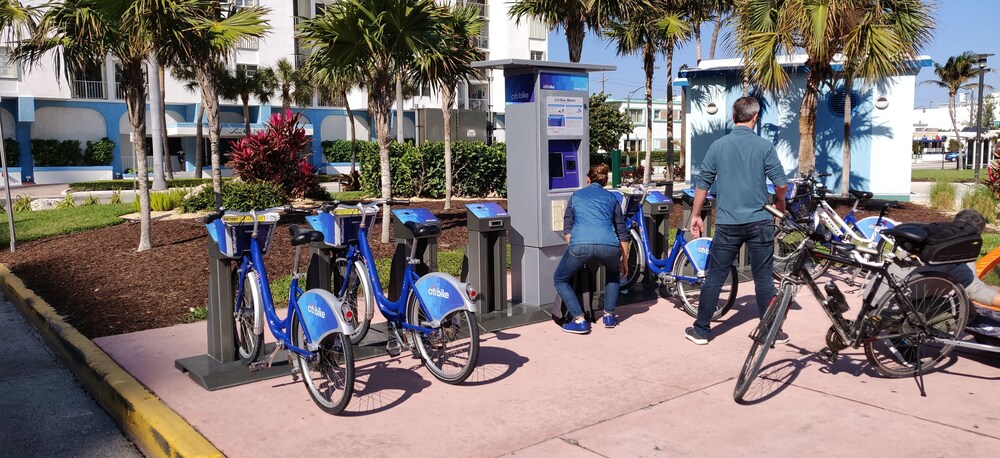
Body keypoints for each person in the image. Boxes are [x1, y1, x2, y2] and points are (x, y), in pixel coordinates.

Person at [686, 96, 788, 345]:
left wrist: (696, 215)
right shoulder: (764, 147)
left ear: (733, 117)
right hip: (760, 221)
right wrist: (780, 203)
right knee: (763, 276)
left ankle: (701, 331)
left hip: (728, 223)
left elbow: (703, 185)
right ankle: (770, 331)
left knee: (715, 276)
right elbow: (781, 184)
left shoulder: (718, 146)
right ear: (755, 117)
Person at [554, 163, 630, 334]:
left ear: (588, 178)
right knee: (612, 274)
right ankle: (609, 316)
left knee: (560, 279)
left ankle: (579, 319)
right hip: (610, 246)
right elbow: (621, 231)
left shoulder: (576, 195)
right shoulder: (612, 198)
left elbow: (568, 225)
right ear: (605, 180)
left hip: (580, 244)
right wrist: (624, 260)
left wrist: (574, 247)